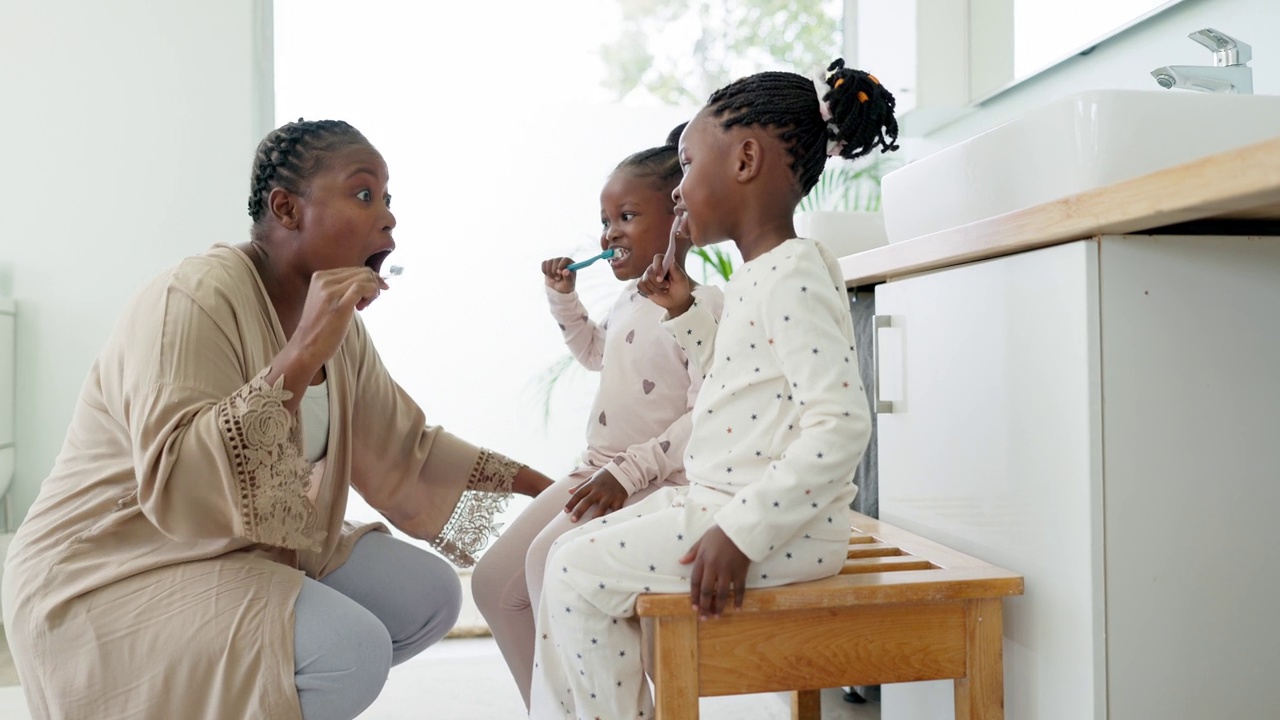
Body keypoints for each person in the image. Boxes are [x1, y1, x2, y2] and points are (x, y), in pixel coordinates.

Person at [1, 118, 554, 720]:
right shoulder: (190, 299)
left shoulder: (343, 329)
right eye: (364, 193)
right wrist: (302, 353)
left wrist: (556, 496)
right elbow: (182, 479)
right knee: (349, 650)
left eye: (388, 199)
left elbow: (406, 453)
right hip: (111, 565)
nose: (388, 217)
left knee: (429, 595)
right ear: (287, 209)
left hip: (241, 547)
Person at [527, 58, 899, 719]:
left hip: (775, 527)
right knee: (564, 556)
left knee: (572, 575)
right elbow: (741, 384)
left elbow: (841, 424)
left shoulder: (792, 275)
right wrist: (685, 312)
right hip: (726, 503)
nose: (678, 192)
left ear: (746, 159)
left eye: (689, 166)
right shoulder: (767, 272)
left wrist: (743, 531)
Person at [471, 124, 725, 708]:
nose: (610, 232)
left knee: (546, 564)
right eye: (606, 220)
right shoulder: (629, 300)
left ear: (677, 215)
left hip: (652, 483)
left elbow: (705, 418)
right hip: (597, 471)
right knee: (492, 584)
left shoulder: (705, 307)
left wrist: (630, 473)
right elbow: (592, 353)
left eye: (627, 216)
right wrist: (565, 298)